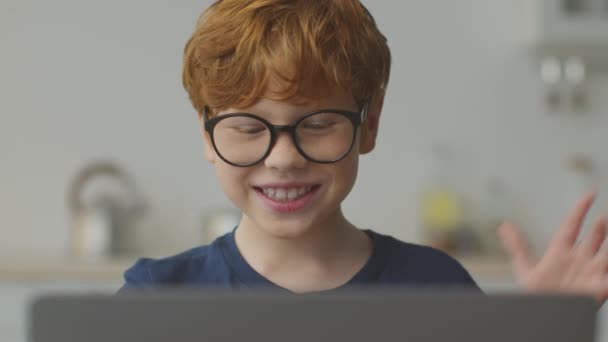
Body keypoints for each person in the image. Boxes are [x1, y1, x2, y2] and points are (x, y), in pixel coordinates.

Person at [119, 0, 608, 304]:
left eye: (317, 124)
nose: (283, 158)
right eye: (247, 127)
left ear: (368, 125)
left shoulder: (435, 288)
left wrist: (542, 331)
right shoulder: (157, 297)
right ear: (207, 136)